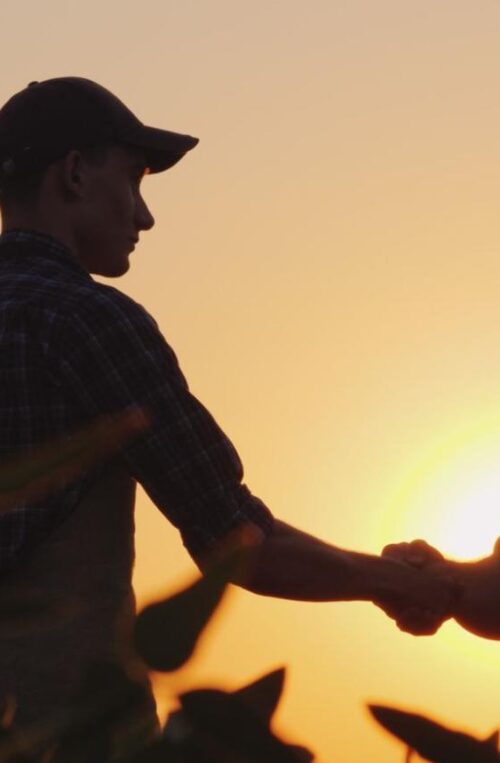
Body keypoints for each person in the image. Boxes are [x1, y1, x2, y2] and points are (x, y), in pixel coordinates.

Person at [0, 77, 456, 725]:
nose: (143, 214)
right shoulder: (88, 322)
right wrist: (400, 583)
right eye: (134, 180)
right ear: (74, 173)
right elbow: (235, 540)